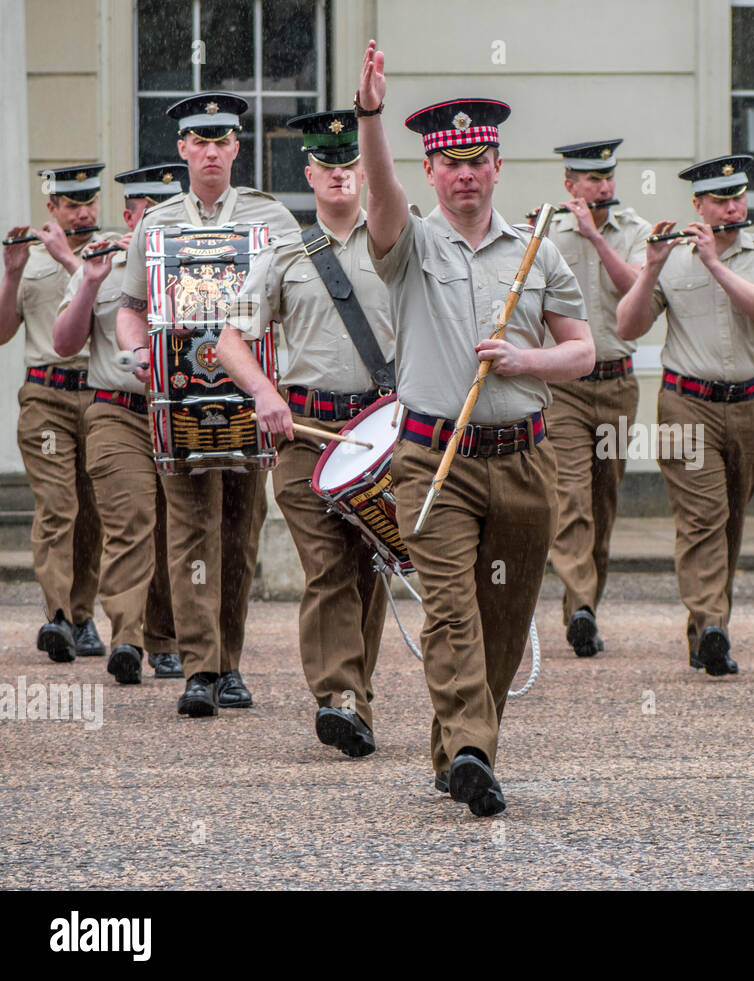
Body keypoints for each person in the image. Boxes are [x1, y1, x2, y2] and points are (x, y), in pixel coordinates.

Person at [356, 41, 593, 815]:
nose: (464, 173)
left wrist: (528, 363)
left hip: (523, 460)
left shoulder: (537, 248)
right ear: (431, 170)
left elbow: (583, 351)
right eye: (449, 161)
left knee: (501, 618)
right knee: (452, 609)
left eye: (477, 159)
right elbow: (381, 194)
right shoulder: (410, 244)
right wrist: (370, 116)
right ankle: (471, 751)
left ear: (496, 165)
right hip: (434, 459)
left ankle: (453, 746)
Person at [116, 91, 300, 717]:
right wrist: (137, 352)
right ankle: (200, 668)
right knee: (191, 526)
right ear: (183, 149)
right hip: (177, 398)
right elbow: (129, 307)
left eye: (223, 141)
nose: (213, 151)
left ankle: (230, 664)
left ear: (236, 148)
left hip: (249, 399)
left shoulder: (272, 219)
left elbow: (296, 301)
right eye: (202, 141)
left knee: (239, 531)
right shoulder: (157, 223)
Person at [218, 109, 395, 757]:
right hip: (305, 430)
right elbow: (230, 338)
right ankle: (338, 696)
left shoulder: (398, 242)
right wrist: (263, 391)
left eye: (352, 165)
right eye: (330, 166)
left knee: (368, 565)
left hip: (381, 431)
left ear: (363, 173)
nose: (341, 175)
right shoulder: (283, 252)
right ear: (310, 173)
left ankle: (357, 699)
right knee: (328, 564)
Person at [616, 154, 754, 675]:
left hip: (748, 404)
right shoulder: (672, 255)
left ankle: (705, 631)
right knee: (702, 518)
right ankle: (713, 622)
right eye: (719, 199)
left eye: (738, 196)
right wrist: (650, 269)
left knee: (731, 520)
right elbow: (628, 327)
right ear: (699, 205)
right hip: (684, 403)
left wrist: (716, 265)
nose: (732, 206)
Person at [52, 164, 185, 683]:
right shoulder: (101, 257)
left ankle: (168, 639)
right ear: (129, 214)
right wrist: (88, 283)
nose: (156, 221)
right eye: (147, 212)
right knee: (131, 523)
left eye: (166, 211)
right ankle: (127, 638)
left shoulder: (192, 259)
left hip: (178, 413)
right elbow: (64, 344)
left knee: (175, 529)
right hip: (116, 411)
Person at [540, 139, 651, 658]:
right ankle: (581, 601)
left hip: (617, 384)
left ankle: (583, 608)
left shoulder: (635, 232)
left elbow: (636, 295)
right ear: (570, 185)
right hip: (565, 389)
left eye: (607, 176)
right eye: (590, 178)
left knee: (603, 502)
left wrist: (596, 237)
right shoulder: (544, 232)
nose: (603, 186)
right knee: (572, 496)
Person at [0, 164, 105, 663]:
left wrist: (72, 261)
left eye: (89, 201)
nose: (83, 211)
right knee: (59, 505)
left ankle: (83, 616)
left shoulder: (113, 253)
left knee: (94, 512)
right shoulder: (32, 259)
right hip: (46, 397)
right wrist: (13, 272)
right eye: (72, 204)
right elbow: (2, 331)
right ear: (53, 209)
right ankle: (58, 616)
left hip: (102, 396)